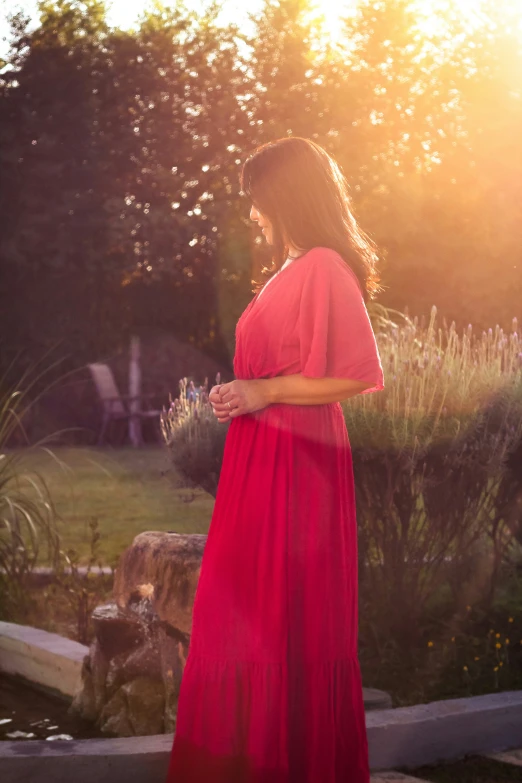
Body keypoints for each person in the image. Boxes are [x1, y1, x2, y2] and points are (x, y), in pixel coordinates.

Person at [165, 136, 385, 783]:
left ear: (281, 196)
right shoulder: (285, 271)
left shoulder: (322, 264)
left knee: (279, 617)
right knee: (241, 616)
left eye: (255, 198)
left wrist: (263, 389)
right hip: (258, 460)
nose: (251, 213)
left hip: (298, 467)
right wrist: (241, 392)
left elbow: (355, 374)